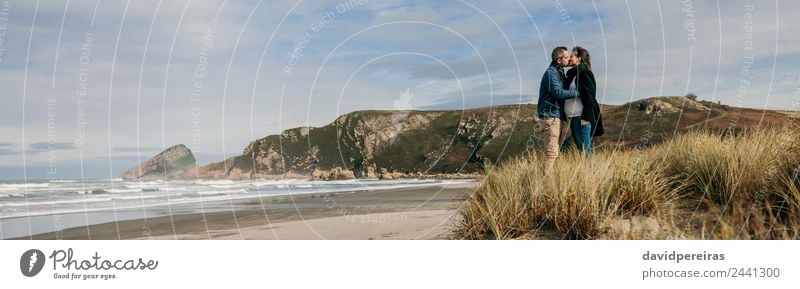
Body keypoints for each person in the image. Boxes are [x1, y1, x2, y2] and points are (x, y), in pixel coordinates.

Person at [537, 46, 579, 172]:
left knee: (554, 152)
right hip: (550, 117)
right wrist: (577, 92)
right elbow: (558, 93)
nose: (569, 59)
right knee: (552, 152)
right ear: (559, 60)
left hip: (555, 116)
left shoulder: (559, 72)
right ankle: (546, 184)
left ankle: (547, 180)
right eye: (566, 57)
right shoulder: (551, 73)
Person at [560, 46, 604, 156]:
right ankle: (589, 171)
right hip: (573, 117)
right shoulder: (572, 74)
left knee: (585, 150)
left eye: (572, 56)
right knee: (581, 150)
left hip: (581, 117)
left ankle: (592, 172)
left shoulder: (585, 73)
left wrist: (586, 117)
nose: (569, 58)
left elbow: (590, 96)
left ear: (579, 58)